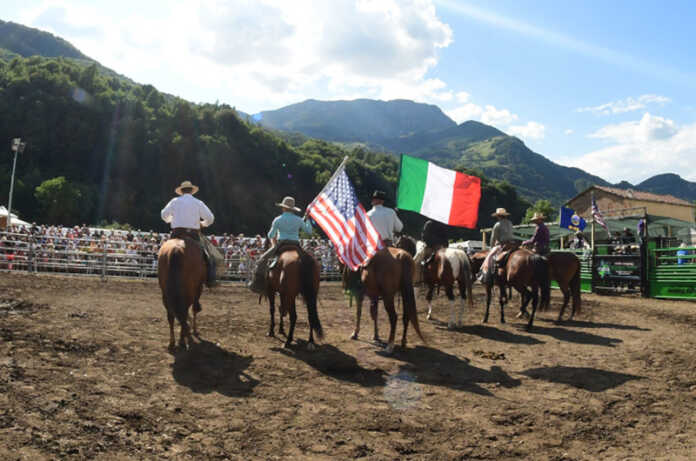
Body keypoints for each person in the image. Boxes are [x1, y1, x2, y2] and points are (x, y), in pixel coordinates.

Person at [247, 196, 313, 294]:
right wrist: (307, 220)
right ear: (292, 209)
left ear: (283, 207)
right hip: (296, 244)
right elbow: (309, 231)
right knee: (309, 262)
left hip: (281, 244)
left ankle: (257, 284)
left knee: (262, 260)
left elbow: (270, 235)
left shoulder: (278, 219)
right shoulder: (299, 219)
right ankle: (309, 284)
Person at [160, 180, 220, 287]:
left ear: (181, 191)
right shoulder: (198, 202)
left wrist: (171, 220)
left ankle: (161, 275)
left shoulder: (174, 201)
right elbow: (210, 218)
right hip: (193, 235)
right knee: (209, 256)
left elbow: (163, 214)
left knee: (162, 253)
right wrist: (203, 224)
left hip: (176, 233)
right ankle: (210, 279)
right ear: (192, 191)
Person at [478, 208, 516, 283]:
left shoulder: (497, 224)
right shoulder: (510, 223)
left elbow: (493, 238)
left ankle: (486, 275)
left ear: (498, 216)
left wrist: (491, 247)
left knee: (489, 256)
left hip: (502, 245)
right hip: (512, 244)